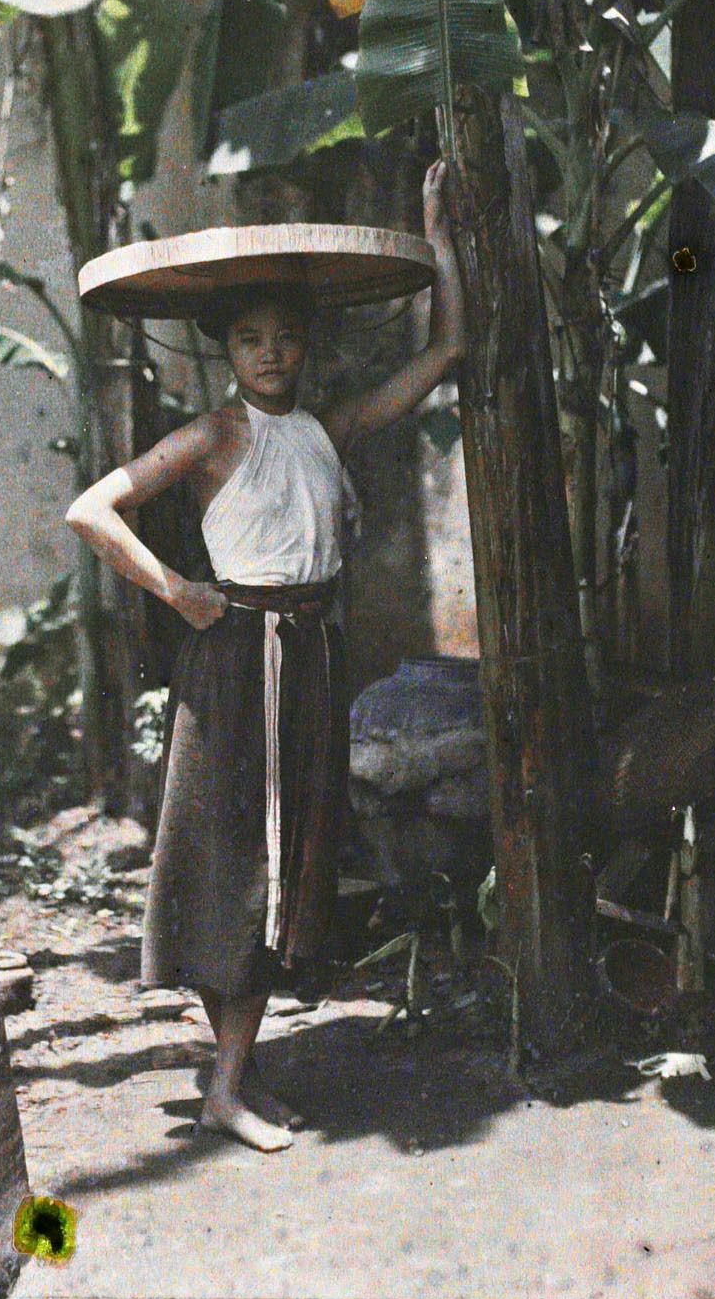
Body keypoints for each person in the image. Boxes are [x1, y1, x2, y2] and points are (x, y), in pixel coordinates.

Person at [65, 158, 466, 1151]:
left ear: (306, 342)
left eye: (286, 335)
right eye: (251, 337)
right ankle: (226, 1084)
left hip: (311, 656)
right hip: (237, 659)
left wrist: (432, 222)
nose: (272, 351)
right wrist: (176, 589)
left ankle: (235, 1075)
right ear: (226, 350)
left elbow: (449, 345)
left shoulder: (324, 428)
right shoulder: (213, 432)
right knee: (233, 859)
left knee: (292, 862)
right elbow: (92, 508)